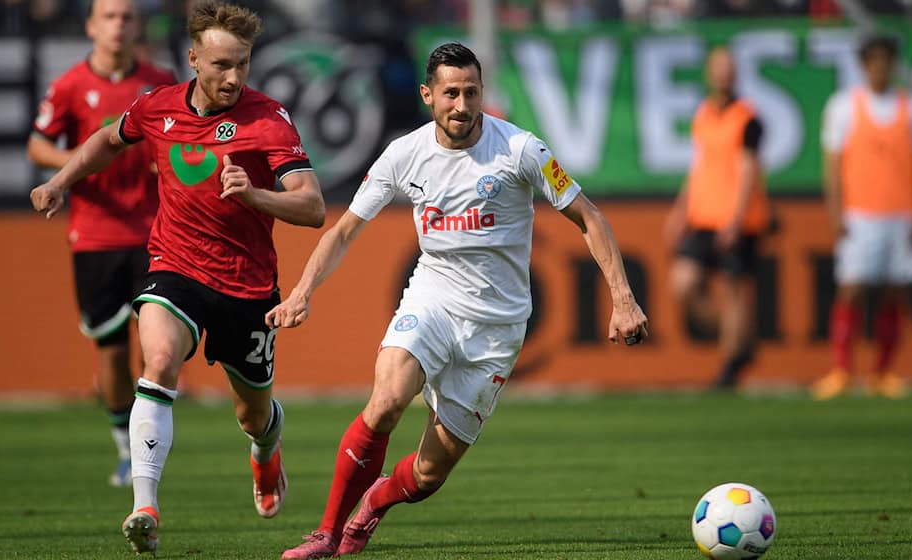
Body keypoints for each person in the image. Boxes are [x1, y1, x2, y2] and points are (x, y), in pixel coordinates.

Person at [271, 42, 648, 560]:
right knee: (386, 400)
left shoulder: (521, 150)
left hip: (496, 328)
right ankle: (326, 533)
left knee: (427, 475)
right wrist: (301, 293)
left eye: (471, 92)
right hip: (433, 300)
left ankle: (375, 501)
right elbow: (343, 232)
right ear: (429, 95)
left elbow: (590, 217)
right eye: (451, 93)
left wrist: (623, 299)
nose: (462, 105)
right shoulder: (404, 154)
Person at [29, 1, 325, 554]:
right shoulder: (158, 106)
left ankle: (265, 452)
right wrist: (61, 181)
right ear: (193, 59)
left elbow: (312, 207)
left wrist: (256, 194)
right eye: (221, 65)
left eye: (242, 64)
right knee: (159, 361)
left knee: (252, 413)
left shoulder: (268, 119)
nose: (233, 77)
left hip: (246, 284)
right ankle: (145, 506)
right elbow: (106, 140)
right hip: (174, 265)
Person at [27, 0, 177, 488]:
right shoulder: (70, 85)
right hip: (95, 234)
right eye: (109, 16)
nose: (118, 25)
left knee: (156, 346)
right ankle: (124, 449)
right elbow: (37, 143)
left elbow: (178, 139)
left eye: (127, 17)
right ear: (92, 26)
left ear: (138, 26)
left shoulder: (160, 81)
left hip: (156, 231)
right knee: (110, 348)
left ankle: (146, 445)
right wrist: (77, 161)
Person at [811, 33, 912, 400]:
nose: (881, 67)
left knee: (895, 292)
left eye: (887, 60)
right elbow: (832, 166)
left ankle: (883, 371)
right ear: (864, 65)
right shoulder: (845, 106)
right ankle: (841, 369)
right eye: (874, 60)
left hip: (900, 213)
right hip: (859, 214)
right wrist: (835, 210)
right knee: (851, 289)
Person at [664, 47, 769, 390]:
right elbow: (699, 166)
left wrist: (736, 219)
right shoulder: (704, 113)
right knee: (683, 283)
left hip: (736, 218)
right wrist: (680, 211)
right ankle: (738, 340)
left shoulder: (748, 117)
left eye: (729, 69)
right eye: (718, 69)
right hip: (703, 215)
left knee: (736, 289)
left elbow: (748, 169)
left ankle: (730, 367)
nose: (723, 75)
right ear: (710, 74)